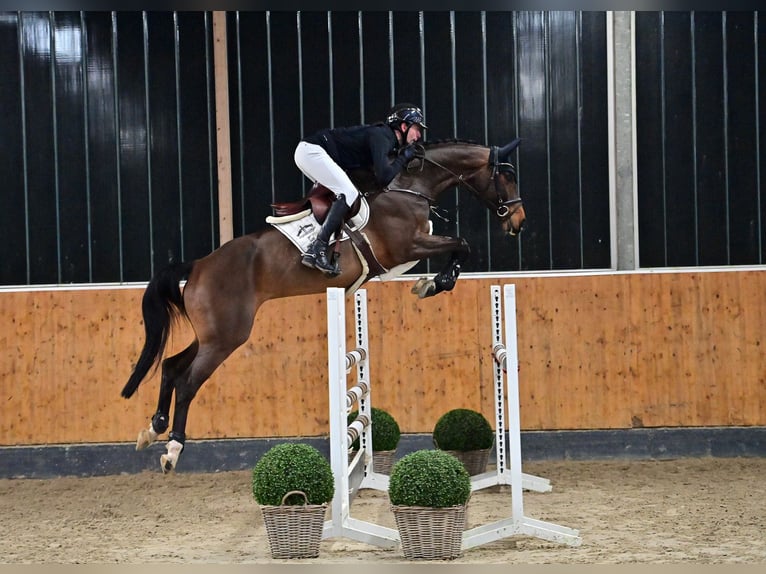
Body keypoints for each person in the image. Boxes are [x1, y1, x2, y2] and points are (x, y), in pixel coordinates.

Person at [294, 103, 427, 276]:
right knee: (348, 193)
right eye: (416, 129)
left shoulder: (384, 139)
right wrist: (403, 158)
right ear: (403, 126)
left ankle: (316, 247)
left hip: (311, 153)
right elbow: (383, 177)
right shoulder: (382, 136)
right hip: (312, 152)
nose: (419, 135)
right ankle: (317, 248)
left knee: (346, 196)